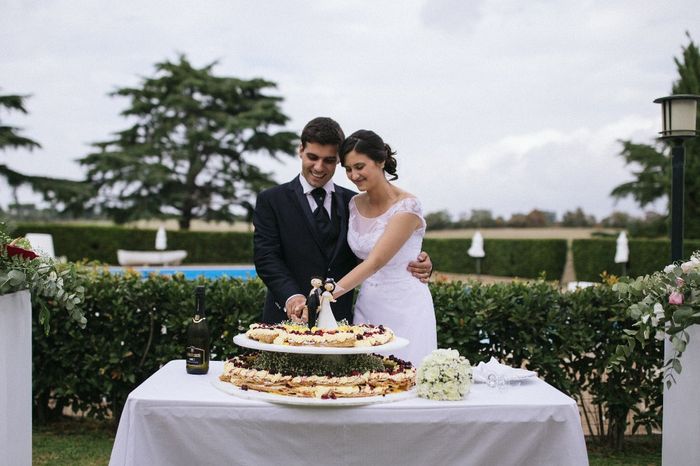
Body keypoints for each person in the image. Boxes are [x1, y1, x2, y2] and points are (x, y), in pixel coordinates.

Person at [253, 117, 432, 324]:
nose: (319, 167)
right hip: (285, 318)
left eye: (329, 160)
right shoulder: (271, 200)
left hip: (341, 322)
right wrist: (292, 297)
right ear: (300, 150)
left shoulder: (353, 202)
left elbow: (378, 251)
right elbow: (266, 257)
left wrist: (417, 262)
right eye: (312, 157)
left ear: (338, 159)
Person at [332, 129, 437, 366]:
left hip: (406, 306)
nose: (353, 175)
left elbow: (375, 261)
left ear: (380, 161)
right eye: (348, 169)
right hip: (368, 303)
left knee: (406, 372)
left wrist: (327, 296)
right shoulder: (353, 204)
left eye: (359, 166)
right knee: (367, 374)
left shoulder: (407, 206)